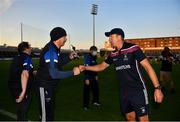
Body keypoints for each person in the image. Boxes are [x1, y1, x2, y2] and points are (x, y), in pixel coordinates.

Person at [79, 28, 163, 121]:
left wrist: (157, 88)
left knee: (143, 119)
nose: (109, 40)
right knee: (130, 118)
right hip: (124, 92)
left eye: (111, 37)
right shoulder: (113, 54)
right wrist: (85, 67)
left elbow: (148, 67)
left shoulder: (133, 48)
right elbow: (101, 66)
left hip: (138, 90)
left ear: (119, 37)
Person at [35, 27, 81, 121]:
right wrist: (73, 72)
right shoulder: (51, 51)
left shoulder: (55, 48)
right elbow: (54, 74)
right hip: (45, 87)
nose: (66, 39)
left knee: (50, 114)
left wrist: (69, 57)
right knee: (46, 116)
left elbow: (57, 63)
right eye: (65, 37)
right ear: (59, 38)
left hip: (49, 86)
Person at [8, 41, 34, 121]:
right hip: (22, 88)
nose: (31, 48)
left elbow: (19, 71)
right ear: (26, 49)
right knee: (23, 112)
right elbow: (24, 73)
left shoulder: (16, 57)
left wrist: (33, 72)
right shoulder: (27, 57)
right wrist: (23, 92)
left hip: (13, 88)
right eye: (29, 47)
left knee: (19, 110)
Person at [83, 46, 100, 110]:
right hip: (88, 76)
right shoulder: (87, 57)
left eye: (96, 50)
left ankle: (95, 101)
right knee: (87, 92)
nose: (95, 52)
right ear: (91, 51)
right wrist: (86, 78)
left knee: (96, 89)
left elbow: (95, 66)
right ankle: (85, 106)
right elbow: (85, 68)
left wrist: (96, 75)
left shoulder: (94, 57)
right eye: (94, 51)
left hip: (93, 76)